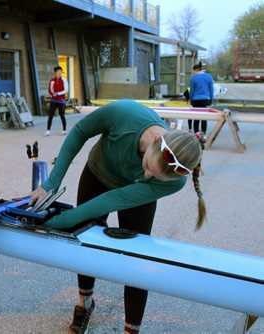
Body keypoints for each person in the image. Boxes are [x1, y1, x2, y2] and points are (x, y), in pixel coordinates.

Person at [30, 99, 206, 334]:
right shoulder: (124, 114)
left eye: (152, 176)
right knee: (85, 240)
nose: (144, 174)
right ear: (155, 140)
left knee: (136, 255)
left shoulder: (176, 181)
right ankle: (85, 304)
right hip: (98, 173)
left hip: (133, 196)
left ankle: (131, 329)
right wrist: (52, 182)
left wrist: (61, 221)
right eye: (147, 165)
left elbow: (117, 199)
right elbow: (80, 131)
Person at [188, 63, 214, 133]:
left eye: (194, 71)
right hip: (206, 99)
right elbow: (211, 89)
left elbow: (192, 91)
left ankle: (196, 132)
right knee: (204, 116)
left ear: (196, 69)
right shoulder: (209, 76)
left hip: (196, 100)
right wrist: (211, 99)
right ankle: (203, 132)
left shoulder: (193, 78)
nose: (194, 73)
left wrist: (190, 100)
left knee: (196, 116)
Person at [45, 65, 68, 136]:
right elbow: (50, 90)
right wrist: (52, 94)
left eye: (61, 71)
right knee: (51, 115)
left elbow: (66, 90)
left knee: (62, 115)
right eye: (58, 71)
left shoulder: (64, 80)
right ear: (55, 72)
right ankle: (48, 131)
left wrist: (58, 93)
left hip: (61, 101)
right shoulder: (52, 81)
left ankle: (64, 130)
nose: (60, 73)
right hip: (54, 100)